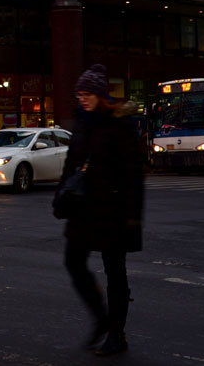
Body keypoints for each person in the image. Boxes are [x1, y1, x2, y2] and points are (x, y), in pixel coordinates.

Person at [59, 64, 144, 357]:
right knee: (73, 262)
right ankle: (101, 318)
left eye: (87, 94)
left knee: (115, 272)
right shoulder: (82, 122)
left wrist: (133, 216)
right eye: (79, 94)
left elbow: (134, 173)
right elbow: (72, 162)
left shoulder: (119, 123)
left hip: (113, 209)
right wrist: (61, 195)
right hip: (83, 209)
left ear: (99, 94)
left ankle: (116, 334)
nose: (82, 98)